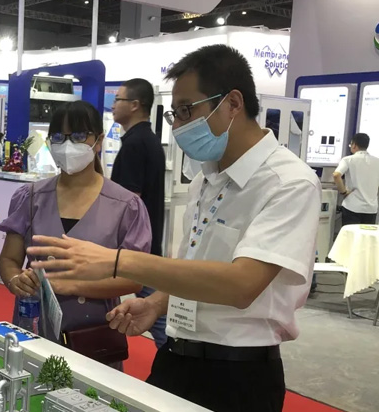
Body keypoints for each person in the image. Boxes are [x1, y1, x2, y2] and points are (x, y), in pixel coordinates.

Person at [28, 45, 321, 411]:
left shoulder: (289, 183)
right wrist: (157, 302)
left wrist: (118, 261)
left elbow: (242, 285)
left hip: (238, 372)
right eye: (175, 114)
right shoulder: (205, 180)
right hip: (175, 356)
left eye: (186, 110)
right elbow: (196, 266)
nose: (179, 126)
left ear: (233, 103)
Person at [0, 101, 151, 370]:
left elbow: (134, 278)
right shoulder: (30, 197)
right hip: (34, 328)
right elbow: (9, 259)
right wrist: (15, 280)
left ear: (98, 141)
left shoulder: (126, 206)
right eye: (59, 137)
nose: (68, 145)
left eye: (79, 136)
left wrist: (72, 286)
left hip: (93, 334)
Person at [110, 78, 168, 348]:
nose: (113, 105)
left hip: (137, 249)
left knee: (155, 314)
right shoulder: (147, 139)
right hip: (146, 244)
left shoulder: (135, 144)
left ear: (135, 105)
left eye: (117, 99)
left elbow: (129, 201)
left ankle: (174, 358)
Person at [334, 133, 379, 226]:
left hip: (352, 206)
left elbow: (336, 175)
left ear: (354, 145)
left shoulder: (348, 160)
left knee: (351, 234)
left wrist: (343, 192)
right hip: (371, 209)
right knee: (366, 234)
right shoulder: (377, 161)